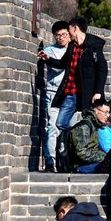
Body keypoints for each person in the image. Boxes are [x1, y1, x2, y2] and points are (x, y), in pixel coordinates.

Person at [45, 16, 109, 134]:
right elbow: (62, 63)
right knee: (60, 123)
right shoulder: (71, 46)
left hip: (88, 94)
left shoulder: (93, 46)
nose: (69, 34)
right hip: (71, 92)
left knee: (91, 123)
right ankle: (76, 136)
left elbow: (102, 69)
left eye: (69, 30)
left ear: (75, 29)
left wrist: (98, 91)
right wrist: (48, 59)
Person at [39, 21, 70, 172]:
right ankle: (50, 160)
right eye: (58, 36)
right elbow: (56, 67)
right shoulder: (50, 51)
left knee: (69, 128)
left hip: (71, 94)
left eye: (64, 35)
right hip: (54, 92)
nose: (61, 38)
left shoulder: (75, 49)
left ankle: (66, 161)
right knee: (52, 127)